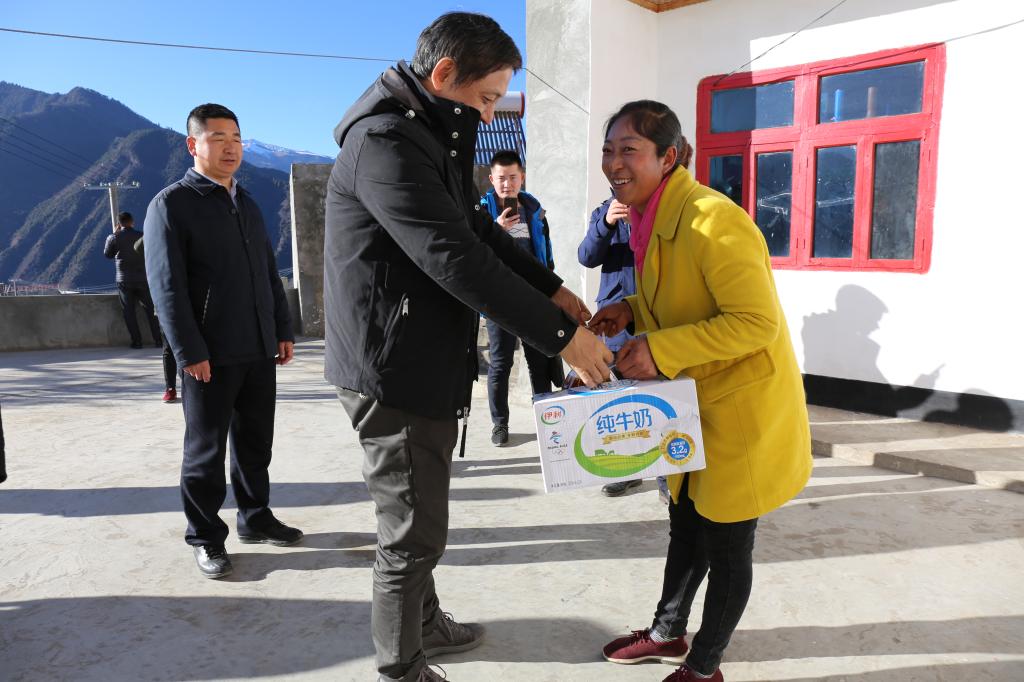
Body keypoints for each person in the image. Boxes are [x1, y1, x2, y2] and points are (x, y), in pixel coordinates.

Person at [322, 12, 611, 682]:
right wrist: (562, 338)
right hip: (392, 369)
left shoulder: (427, 137)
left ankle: (424, 624)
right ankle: (401, 667)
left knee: (422, 513)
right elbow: (453, 257)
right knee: (411, 530)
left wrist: (553, 290)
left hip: (419, 358)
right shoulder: (386, 144)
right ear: (445, 73)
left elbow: (479, 233)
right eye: (486, 98)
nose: (488, 114)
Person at [590, 100, 812, 682]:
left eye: (629, 150)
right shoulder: (650, 216)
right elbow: (685, 296)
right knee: (686, 522)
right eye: (608, 150)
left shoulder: (714, 221)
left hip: (738, 411)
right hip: (691, 407)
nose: (614, 163)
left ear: (669, 157)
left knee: (728, 547)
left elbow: (755, 323)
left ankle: (705, 666)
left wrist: (659, 350)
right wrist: (629, 307)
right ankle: (667, 633)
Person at [144, 103, 301, 581]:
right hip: (209, 354)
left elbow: (268, 274)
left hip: (257, 346)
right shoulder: (171, 205)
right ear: (193, 145)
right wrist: (189, 351)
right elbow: (167, 289)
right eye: (218, 138)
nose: (231, 147)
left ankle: (255, 517)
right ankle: (205, 537)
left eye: (236, 138)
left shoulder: (246, 202)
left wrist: (281, 329)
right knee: (206, 452)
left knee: (255, 443)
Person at [480, 149, 565, 446]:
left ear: (522, 177)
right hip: (498, 300)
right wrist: (495, 230)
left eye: (513, 177)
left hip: (534, 298)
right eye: (501, 178)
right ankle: (499, 424)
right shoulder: (481, 213)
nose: (507, 184)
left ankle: (546, 422)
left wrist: (553, 293)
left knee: (538, 362)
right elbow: (472, 252)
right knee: (500, 363)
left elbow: (546, 255)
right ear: (492, 179)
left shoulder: (534, 210)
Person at [103, 211, 161, 349]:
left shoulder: (114, 237)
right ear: (132, 222)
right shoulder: (142, 236)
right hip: (143, 278)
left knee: (129, 312)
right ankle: (158, 340)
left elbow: (108, 255)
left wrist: (114, 235)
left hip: (124, 280)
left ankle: (137, 342)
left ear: (119, 224)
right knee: (151, 311)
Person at [133, 236, 179, 402]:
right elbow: (138, 246)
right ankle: (171, 387)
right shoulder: (159, 240)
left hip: (177, 300)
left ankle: (175, 388)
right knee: (169, 348)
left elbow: (137, 246)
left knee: (175, 349)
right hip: (165, 303)